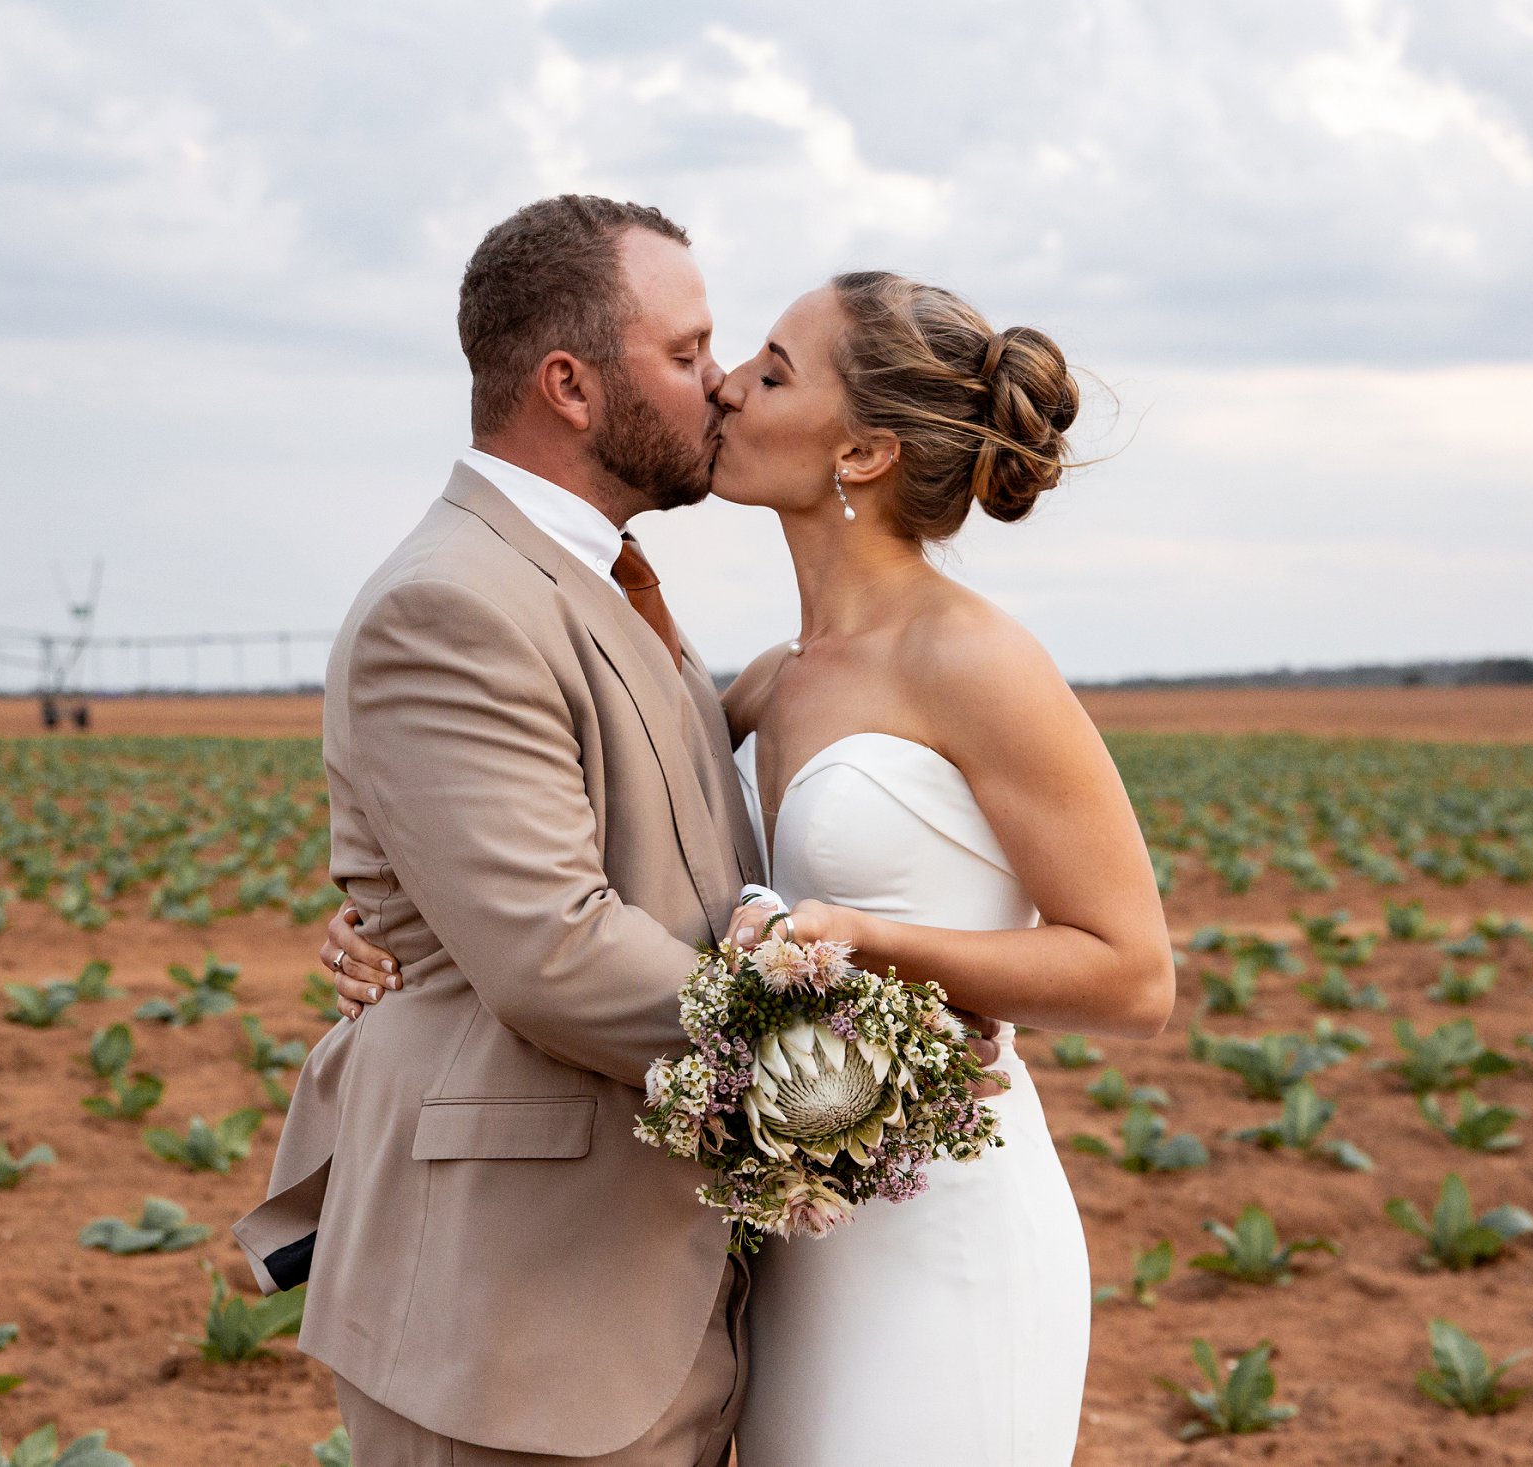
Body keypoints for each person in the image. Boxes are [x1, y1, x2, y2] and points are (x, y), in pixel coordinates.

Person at [298, 211, 1177, 1463]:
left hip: (922, 1210)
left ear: (862, 451)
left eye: (764, 366)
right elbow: (541, 875)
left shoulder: (973, 658)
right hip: (788, 1226)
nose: (724, 385)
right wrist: (399, 924)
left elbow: (1135, 972)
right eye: (707, 352)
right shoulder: (771, 673)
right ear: (570, 383)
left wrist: (871, 1015)